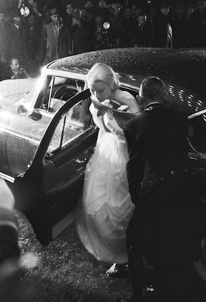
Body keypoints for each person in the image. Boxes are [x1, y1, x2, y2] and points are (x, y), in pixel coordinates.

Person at [116, 76, 205, 302]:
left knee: (133, 238)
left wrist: (138, 195)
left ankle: (139, 293)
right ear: (163, 96)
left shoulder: (132, 125)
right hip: (182, 188)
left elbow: (134, 165)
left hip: (155, 188)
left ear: (141, 97)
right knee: (175, 235)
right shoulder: (179, 118)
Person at [76, 63, 140, 278]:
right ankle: (118, 259)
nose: (95, 94)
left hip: (124, 156)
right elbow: (101, 130)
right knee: (100, 207)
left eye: (100, 90)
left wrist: (114, 122)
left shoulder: (128, 100)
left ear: (112, 84)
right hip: (105, 154)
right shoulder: (95, 100)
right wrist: (100, 115)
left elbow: (137, 134)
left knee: (124, 209)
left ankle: (130, 256)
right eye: (92, 90)